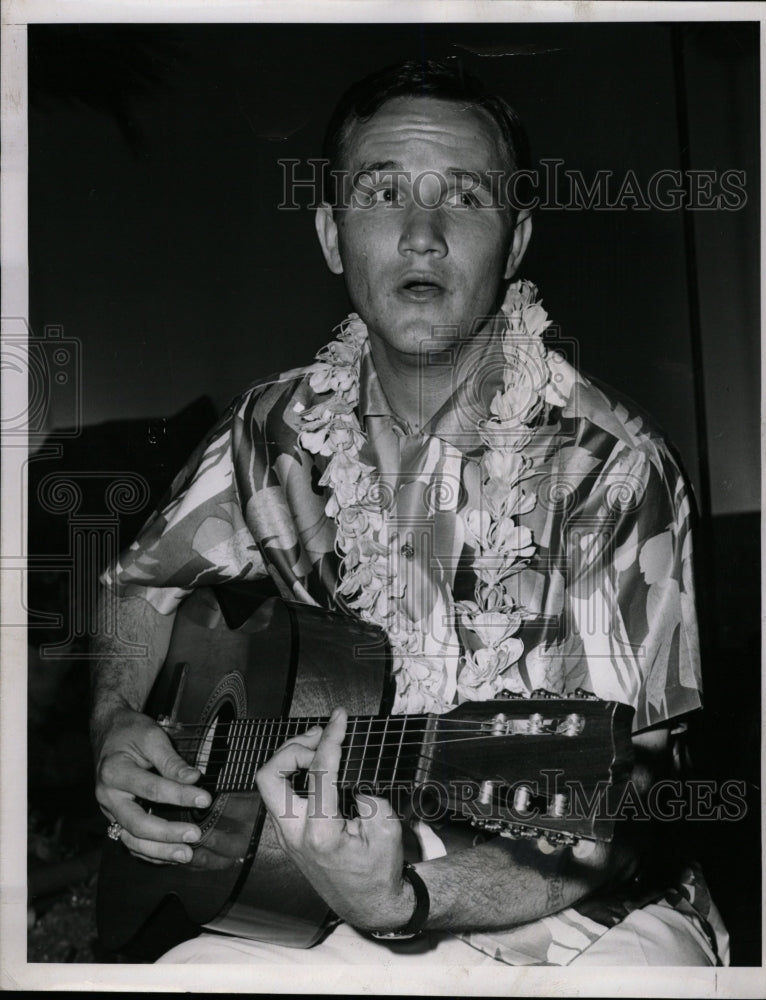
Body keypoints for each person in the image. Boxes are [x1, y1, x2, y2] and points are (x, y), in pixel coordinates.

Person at [90, 60, 728, 967]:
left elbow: (622, 807)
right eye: (383, 191)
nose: (423, 235)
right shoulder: (270, 429)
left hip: (586, 917)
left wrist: (404, 898)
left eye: (464, 196)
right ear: (329, 232)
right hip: (304, 886)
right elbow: (138, 592)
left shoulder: (613, 469)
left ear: (513, 243)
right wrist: (118, 718)